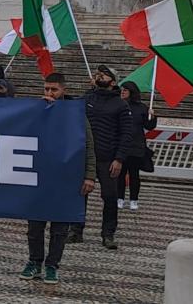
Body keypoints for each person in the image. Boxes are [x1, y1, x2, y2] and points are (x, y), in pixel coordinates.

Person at [19, 72, 96, 285]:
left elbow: (88, 146)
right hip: (39, 177)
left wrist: (90, 175)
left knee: (60, 228)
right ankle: (34, 261)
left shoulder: (76, 114)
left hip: (66, 178)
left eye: (54, 89)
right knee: (34, 226)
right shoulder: (36, 111)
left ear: (64, 90)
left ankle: (52, 265)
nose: (49, 93)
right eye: (46, 89)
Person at [67, 65, 132, 250]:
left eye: (104, 75)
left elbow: (126, 134)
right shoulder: (87, 98)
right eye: (98, 74)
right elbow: (69, 107)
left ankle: (108, 233)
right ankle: (76, 230)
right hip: (85, 156)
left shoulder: (121, 104)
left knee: (110, 196)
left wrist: (119, 158)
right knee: (80, 194)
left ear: (113, 82)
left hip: (108, 158)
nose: (99, 76)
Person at [117, 81, 157, 211]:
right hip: (120, 145)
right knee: (120, 174)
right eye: (121, 89)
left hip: (136, 147)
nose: (122, 92)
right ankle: (120, 198)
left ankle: (134, 200)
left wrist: (152, 116)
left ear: (132, 92)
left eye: (125, 90)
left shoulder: (141, 108)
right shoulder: (118, 105)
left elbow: (149, 126)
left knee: (134, 175)